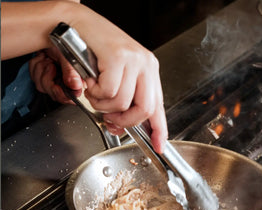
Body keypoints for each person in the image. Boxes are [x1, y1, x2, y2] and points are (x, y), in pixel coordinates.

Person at [1, 0, 168, 154]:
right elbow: (60, 16)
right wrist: (69, 19)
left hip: (21, 113)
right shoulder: (69, 17)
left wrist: (57, 47)